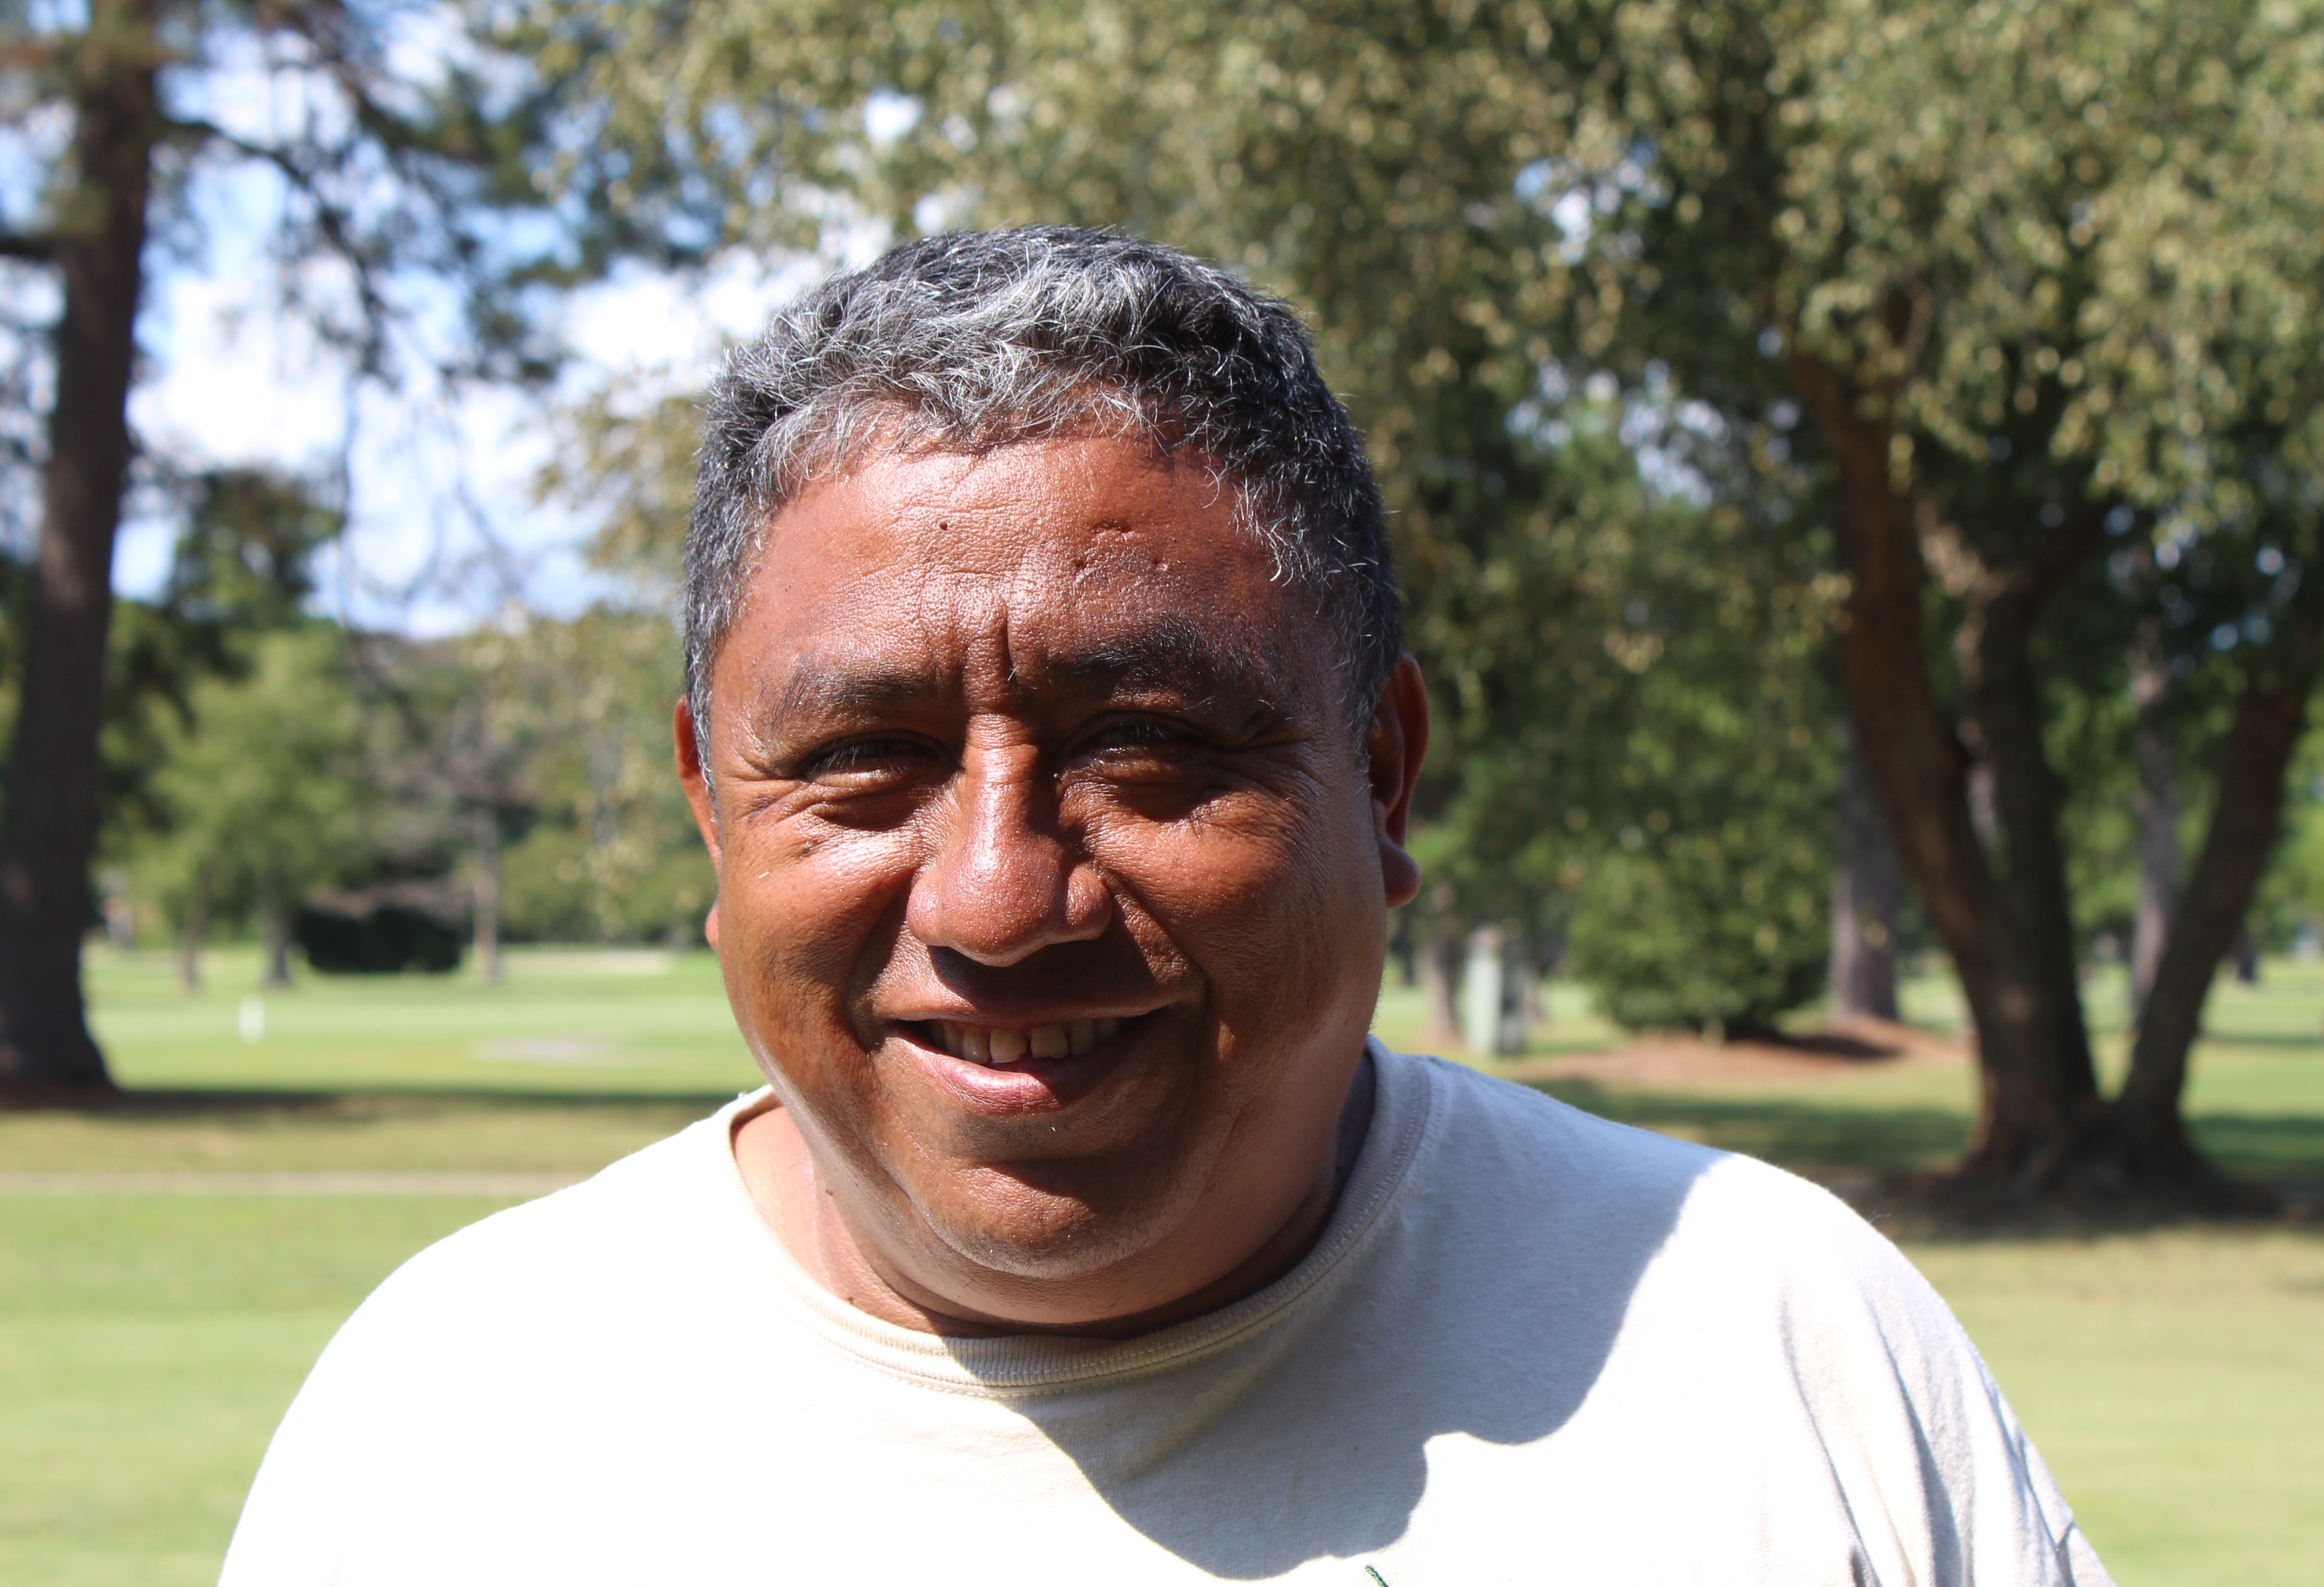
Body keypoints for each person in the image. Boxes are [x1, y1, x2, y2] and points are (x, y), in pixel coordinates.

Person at [220, 228, 2110, 1587]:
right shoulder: (454, 1422)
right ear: (712, 804)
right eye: (864, 757)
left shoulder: (1773, 1340)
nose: (996, 897)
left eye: (1144, 747)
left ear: (1379, 777)